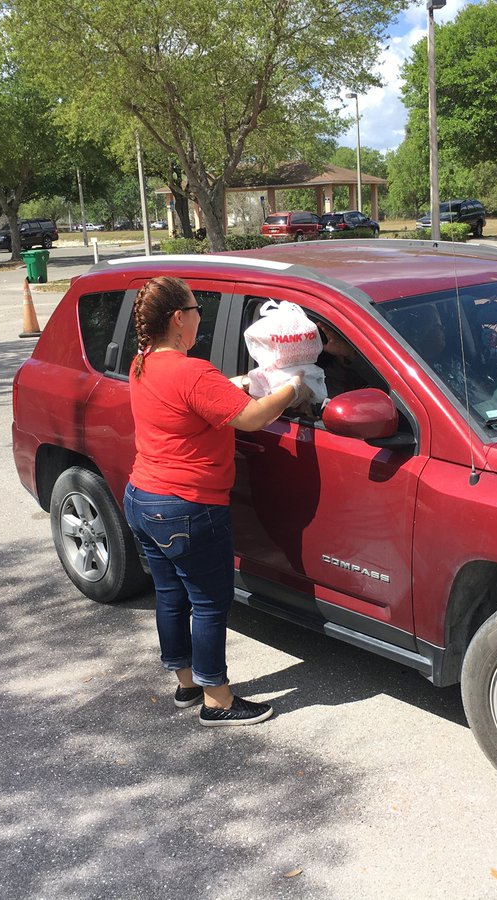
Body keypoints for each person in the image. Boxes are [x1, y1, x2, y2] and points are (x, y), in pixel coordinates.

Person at [122, 276, 310, 727]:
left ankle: (187, 684)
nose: (199, 317)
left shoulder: (142, 364)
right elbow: (249, 419)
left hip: (143, 499)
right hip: (187, 507)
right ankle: (218, 701)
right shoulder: (192, 371)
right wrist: (294, 388)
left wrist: (241, 381)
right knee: (208, 602)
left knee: (171, 596)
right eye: (196, 309)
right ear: (178, 319)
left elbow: (191, 400)